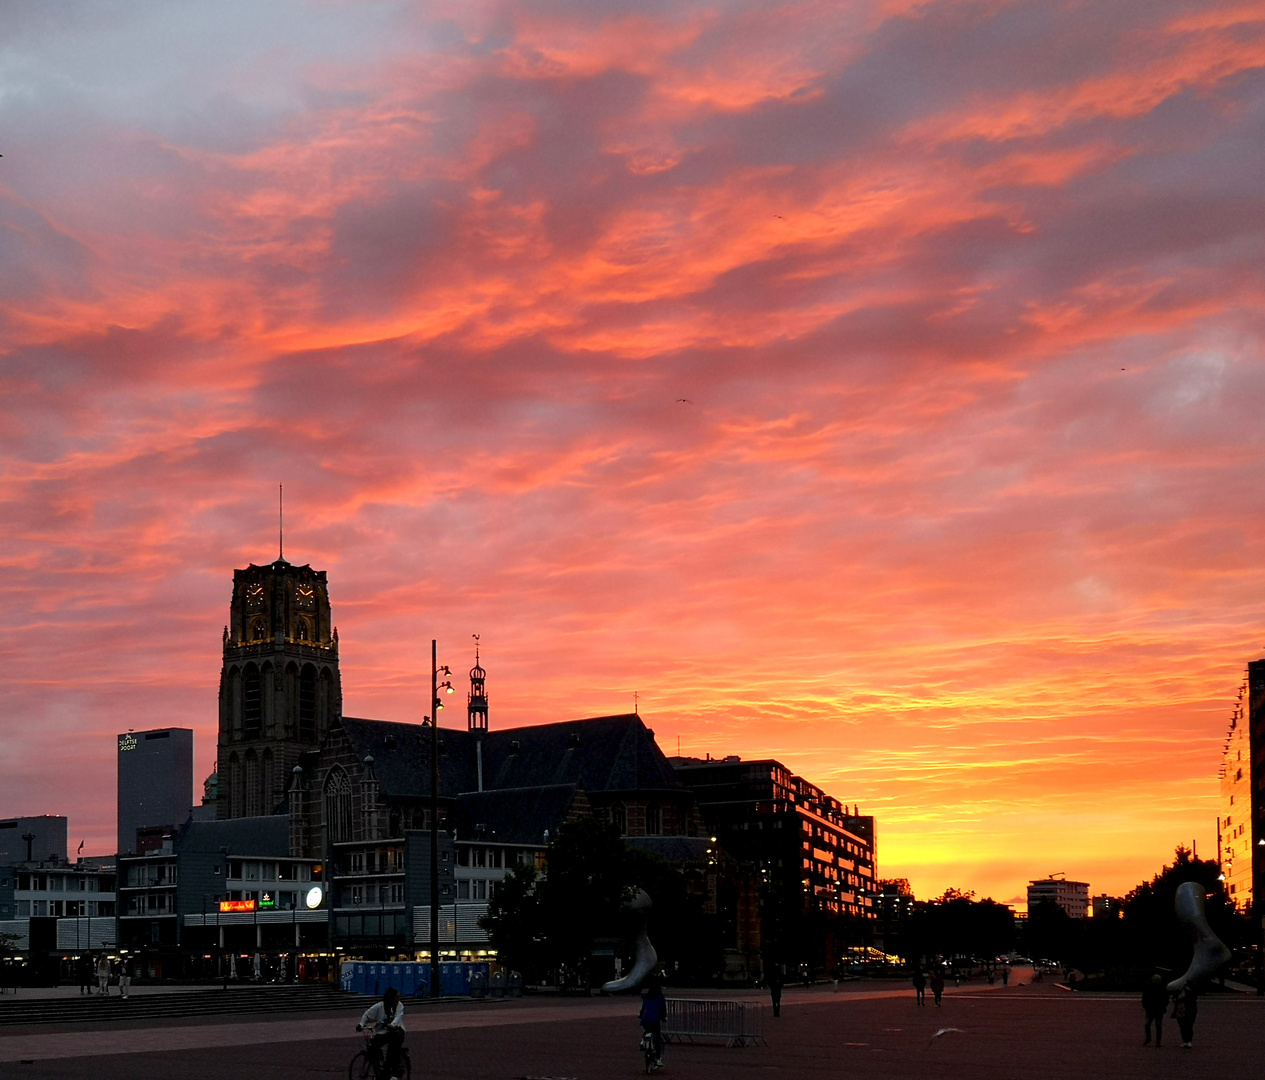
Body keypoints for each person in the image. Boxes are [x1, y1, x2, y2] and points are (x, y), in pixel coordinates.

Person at [357, 986, 406, 1080]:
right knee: (373, 1047)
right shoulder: (379, 1006)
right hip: (383, 1032)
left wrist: (392, 1025)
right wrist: (361, 1024)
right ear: (391, 998)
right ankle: (378, 1071)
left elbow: (398, 1017)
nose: (398, 999)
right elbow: (367, 1014)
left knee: (392, 1049)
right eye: (396, 997)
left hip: (397, 1031)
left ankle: (394, 1074)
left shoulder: (399, 1006)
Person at [639, 980, 667, 1070]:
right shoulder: (660, 997)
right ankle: (658, 1059)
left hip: (645, 1019)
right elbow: (663, 1010)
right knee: (657, 1039)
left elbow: (643, 1009)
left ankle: (643, 1041)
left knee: (647, 1029)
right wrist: (664, 1017)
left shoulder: (646, 997)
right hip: (655, 1019)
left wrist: (640, 1015)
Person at [1141, 974, 1167, 1046]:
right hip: (1154, 1009)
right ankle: (1155, 1040)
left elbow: (1144, 998)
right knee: (1155, 1025)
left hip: (1154, 1009)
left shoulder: (1151, 988)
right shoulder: (1161, 988)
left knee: (1151, 1024)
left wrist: (1145, 1006)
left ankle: (1153, 1040)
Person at [1172, 983, 1198, 1049]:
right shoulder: (1178, 991)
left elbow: (1192, 998)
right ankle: (1186, 1041)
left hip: (1187, 1011)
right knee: (1183, 1026)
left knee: (1188, 1026)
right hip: (1181, 1010)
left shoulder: (1189, 991)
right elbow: (1174, 999)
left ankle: (1188, 1041)